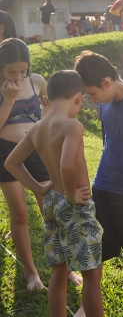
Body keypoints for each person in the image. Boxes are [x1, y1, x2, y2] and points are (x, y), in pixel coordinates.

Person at [5, 70, 104, 317]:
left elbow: (11, 162)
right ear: (79, 99)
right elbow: (67, 165)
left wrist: (39, 188)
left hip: (51, 202)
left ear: (47, 98)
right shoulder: (72, 126)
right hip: (75, 207)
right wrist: (71, 195)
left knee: (58, 271)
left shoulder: (38, 128)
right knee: (92, 275)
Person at [74, 50, 123, 298]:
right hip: (103, 188)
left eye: (93, 94)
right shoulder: (105, 104)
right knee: (96, 251)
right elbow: (110, 143)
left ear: (106, 82)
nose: (93, 100)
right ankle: (89, 305)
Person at [0, 37, 49, 290]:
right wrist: (9, 99)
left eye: (23, 70)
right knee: (19, 215)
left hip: (37, 150)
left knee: (50, 211)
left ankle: (65, 269)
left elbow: (50, 110)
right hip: (8, 155)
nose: (19, 76)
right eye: (11, 71)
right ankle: (32, 274)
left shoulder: (37, 81)